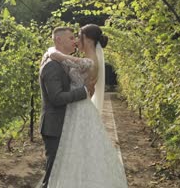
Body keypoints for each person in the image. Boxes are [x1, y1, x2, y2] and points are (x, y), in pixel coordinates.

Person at [46, 24, 128, 188]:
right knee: (80, 151)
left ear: (87, 39)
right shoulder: (91, 60)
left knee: (74, 150)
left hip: (78, 108)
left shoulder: (87, 62)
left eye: (78, 36)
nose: (76, 40)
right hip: (81, 107)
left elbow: (57, 55)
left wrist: (49, 50)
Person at [38, 26, 95, 188]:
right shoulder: (51, 66)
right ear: (58, 40)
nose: (75, 41)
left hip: (64, 124)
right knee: (53, 172)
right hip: (54, 126)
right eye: (71, 38)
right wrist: (83, 92)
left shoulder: (61, 62)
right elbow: (56, 98)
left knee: (62, 171)